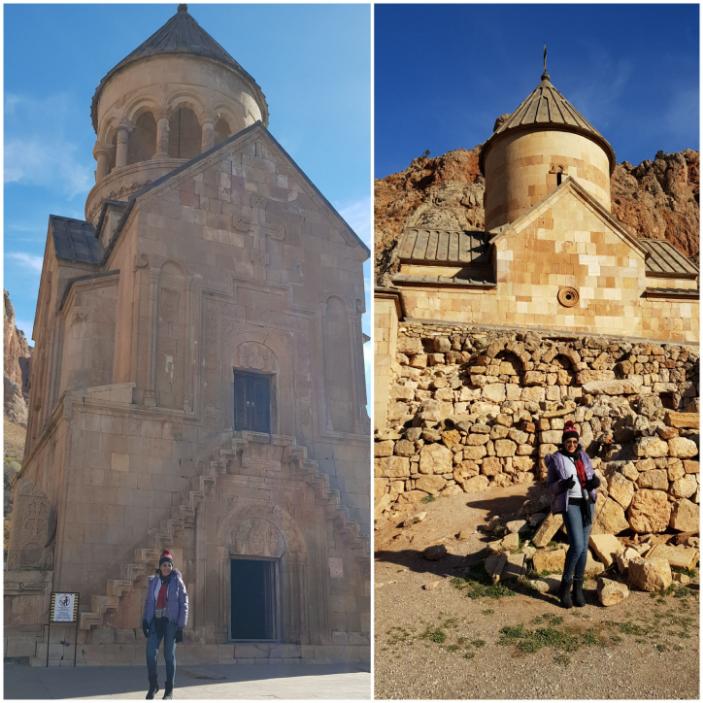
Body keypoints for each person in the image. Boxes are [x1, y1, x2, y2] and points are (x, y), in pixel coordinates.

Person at [545, 421, 601, 608]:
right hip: (571, 505)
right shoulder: (556, 459)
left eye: (574, 442)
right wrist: (562, 485)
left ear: (578, 443)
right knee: (576, 545)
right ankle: (564, 587)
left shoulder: (583, 456)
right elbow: (550, 486)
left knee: (584, 547)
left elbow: (590, 476)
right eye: (568, 441)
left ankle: (578, 589)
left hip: (587, 503)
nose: (572, 444)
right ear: (563, 442)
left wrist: (594, 483)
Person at [142, 550, 188, 699]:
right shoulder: (154, 582)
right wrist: (146, 620)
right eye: (164, 565)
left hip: (171, 623)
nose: (166, 567)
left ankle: (169, 690)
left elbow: (184, 603)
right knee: (150, 654)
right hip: (156, 621)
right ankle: (153, 685)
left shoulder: (177, 581)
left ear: (172, 567)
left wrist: (181, 626)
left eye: (169, 565)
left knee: (169, 655)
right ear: (160, 567)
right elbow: (149, 602)